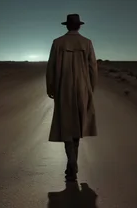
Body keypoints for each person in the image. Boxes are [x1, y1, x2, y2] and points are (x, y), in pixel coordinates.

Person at [46, 14, 98, 182]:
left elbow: (51, 67)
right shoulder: (87, 43)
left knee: (67, 125)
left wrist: (51, 87)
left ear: (67, 26)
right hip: (83, 88)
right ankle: (73, 163)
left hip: (63, 88)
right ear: (79, 26)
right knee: (78, 125)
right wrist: (90, 89)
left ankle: (72, 162)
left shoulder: (57, 43)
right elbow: (93, 69)